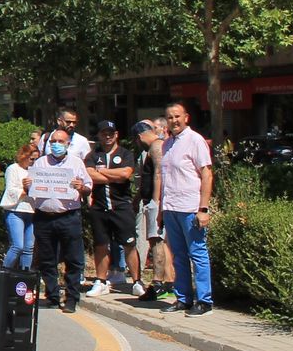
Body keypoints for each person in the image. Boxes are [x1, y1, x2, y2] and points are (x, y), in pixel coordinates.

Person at [29, 126, 94, 313]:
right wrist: (28, 185)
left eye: (60, 142)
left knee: (73, 259)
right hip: (44, 217)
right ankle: (52, 294)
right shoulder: (41, 163)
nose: (56, 145)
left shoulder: (76, 163)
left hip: (68, 216)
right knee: (47, 259)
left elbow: (88, 187)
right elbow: (31, 190)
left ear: (68, 144)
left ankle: (72, 297)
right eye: (53, 142)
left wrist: (81, 187)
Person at [158, 102, 215, 315]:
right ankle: (183, 299)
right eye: (170, 117)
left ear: (186, 117)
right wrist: (162, 210)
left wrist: (204, 208)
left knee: (197, 253)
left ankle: (204, 300)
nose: (174, 120)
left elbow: (207, 174)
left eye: (177, 116)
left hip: (191, 207)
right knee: (179, 256)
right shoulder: (167, 144)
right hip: (172, 207)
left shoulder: (195, 140)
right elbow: (166, 178)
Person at [84, 120, 140, 297]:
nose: (107, 136)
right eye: (103, 133)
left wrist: (103, 172)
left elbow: (125, 174)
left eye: (111, 133)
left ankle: (137, 281)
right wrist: (112, 176)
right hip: (99, 206)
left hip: (121, 205)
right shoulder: (93, 155)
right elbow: (90, 174)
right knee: (101, 244)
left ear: (116, 135)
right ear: (99, 136)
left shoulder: (125, 153)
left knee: (129, 243)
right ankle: (100, 281)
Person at [131, 118, 175, 301]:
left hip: (156, 202)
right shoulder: (154, 148)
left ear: (140, 136)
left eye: (136, 139)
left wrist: (155, 203)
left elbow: (159, 174)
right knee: (160, 241)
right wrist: (139, 198)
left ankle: (158, 282)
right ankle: (168, 282)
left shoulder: (156, 147)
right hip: (152, 199)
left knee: (156, 240)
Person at [0, 143, 37, 270]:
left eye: (36, 159)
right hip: (16, 210)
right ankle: (5, 271)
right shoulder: (13, 168)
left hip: (31, 211)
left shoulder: (36, 171)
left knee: (28, 247)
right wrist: (26, 189)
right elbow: (11, 190)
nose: (34, 162)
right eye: (32, 159)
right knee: (17, 246)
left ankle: (24, 275)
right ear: (24, 156)